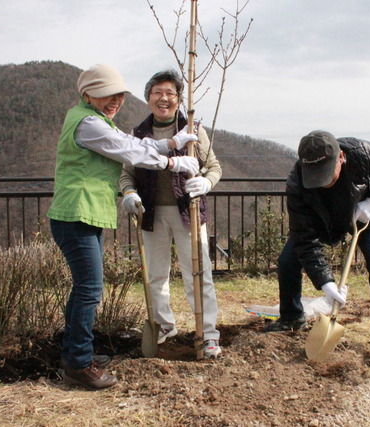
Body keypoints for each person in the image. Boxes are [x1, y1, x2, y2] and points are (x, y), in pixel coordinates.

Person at [48, 64, 200, 389]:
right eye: (107, 95)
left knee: (83, 290)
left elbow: (129, 142)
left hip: (83, 214)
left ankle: (75, 353)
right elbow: (130, 150)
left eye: (118, 96)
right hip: (75, 214)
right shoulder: (88, 123)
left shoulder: (97, 120)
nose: (114, 101)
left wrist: (171, 143)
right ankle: (78, 365)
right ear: (88, 94)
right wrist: (173, 161)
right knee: (89, 290)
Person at [264, 130, 370, 360]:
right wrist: (326, 283)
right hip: (320, 219)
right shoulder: (297, 183)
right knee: (287, 261)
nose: (323, 181)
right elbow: (304, 238)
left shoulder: (362, 153)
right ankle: (291, 318)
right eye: (316, 175)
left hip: (360, 211)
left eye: (327, 174)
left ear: (341, 157)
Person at [119, 69, 223, 359]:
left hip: (187, 213)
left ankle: (208, 333)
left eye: (170, 94)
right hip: (152, 214)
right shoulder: (138, 134)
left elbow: (214, 167)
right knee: (155, 275)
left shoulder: (192, 130)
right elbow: (126, 173)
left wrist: (205, 182)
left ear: (178, 99)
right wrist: (129, 193)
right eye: (157, 93)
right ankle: (164, 326)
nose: (163, 99)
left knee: (199, 274)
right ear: (148, 98)